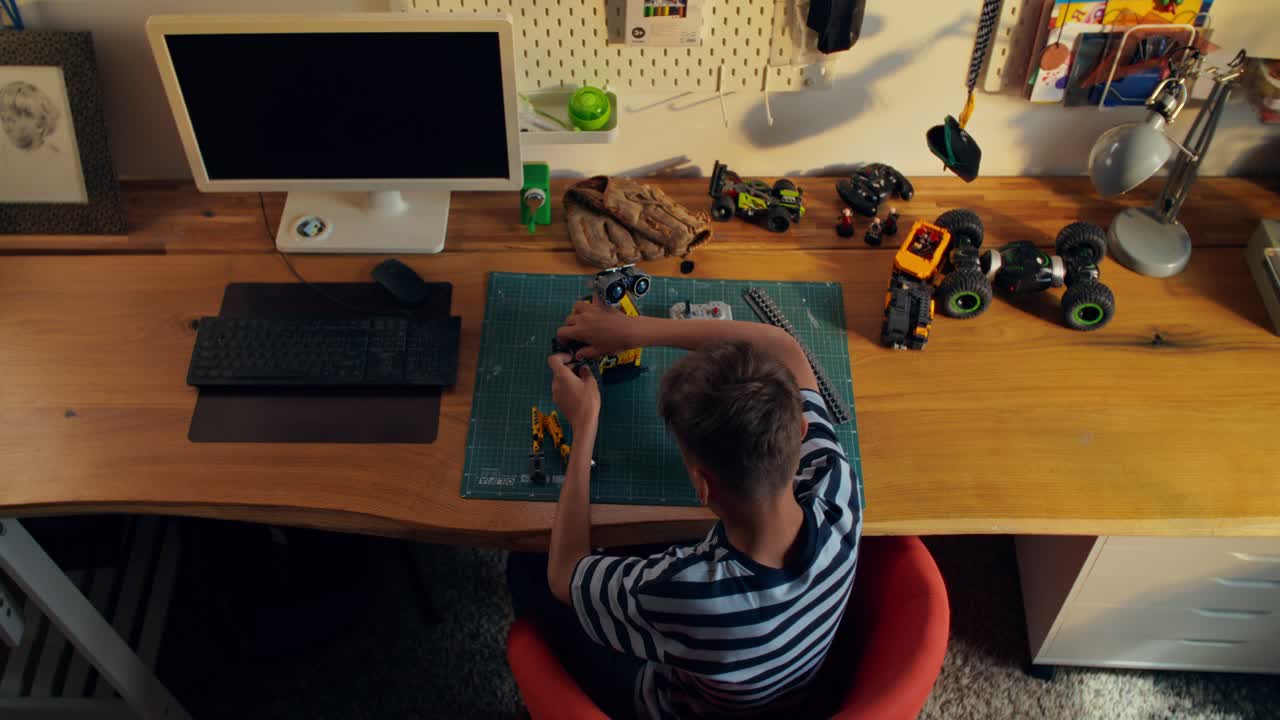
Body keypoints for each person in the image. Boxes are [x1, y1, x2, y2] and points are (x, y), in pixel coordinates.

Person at [507, 300, 862, 719]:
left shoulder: (689, 591)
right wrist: (637, 332)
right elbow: (783, 348)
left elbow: (564, 575)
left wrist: (584, 425)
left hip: (670, 706)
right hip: (787, 689)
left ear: (702, 485)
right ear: (801, 430)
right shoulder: (837, 486)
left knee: (524, 567)